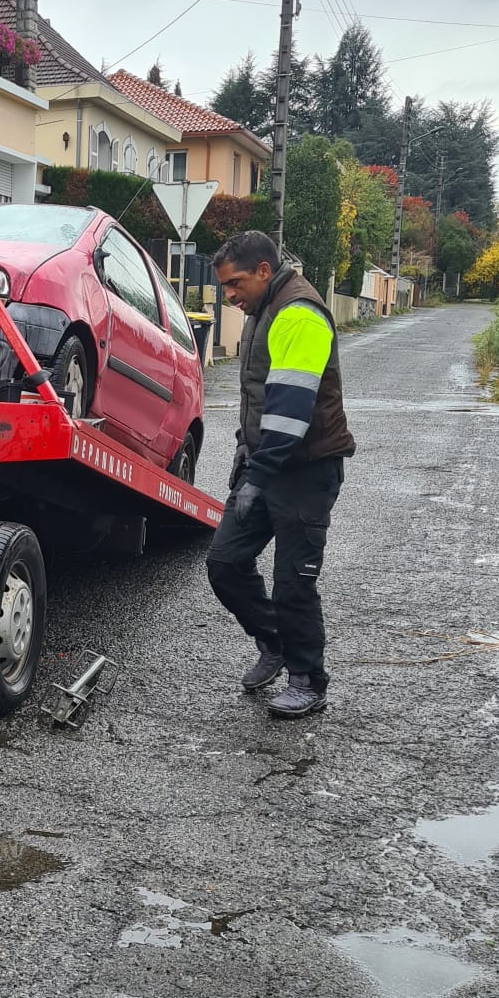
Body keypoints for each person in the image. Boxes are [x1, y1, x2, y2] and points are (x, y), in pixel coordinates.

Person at [205, 230, 355, 718]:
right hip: (264, 462)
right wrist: (245, 458)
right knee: (225, 563)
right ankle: (274, 642)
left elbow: (290, 413)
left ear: (264, 271)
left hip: (305, 471)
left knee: (294, 581)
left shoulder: (297, 315)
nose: (229, 295)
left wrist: (258, 475)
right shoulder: (259, 308)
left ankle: (308, 679)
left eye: (236, 283)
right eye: (225, 286)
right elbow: (257, 399)